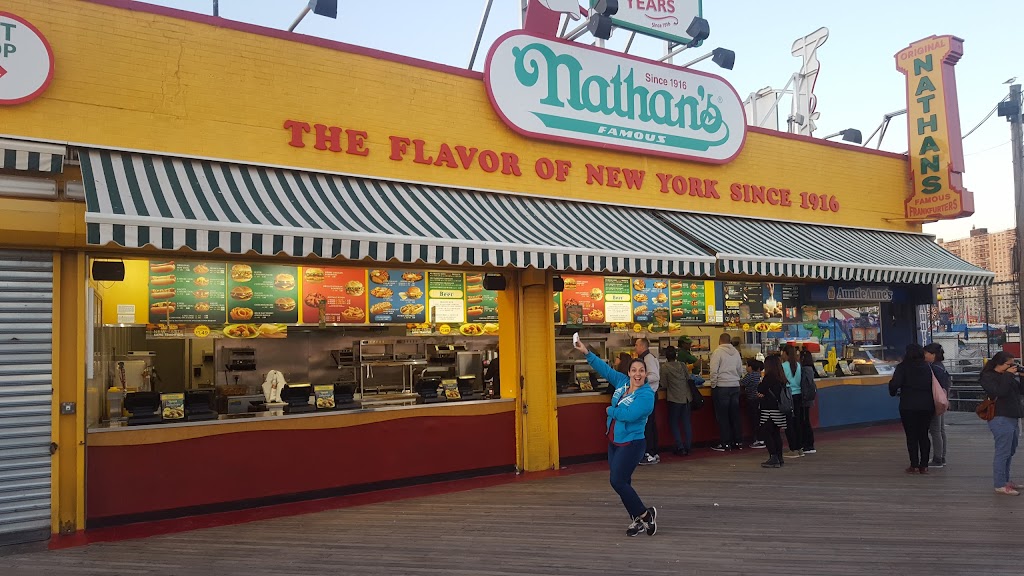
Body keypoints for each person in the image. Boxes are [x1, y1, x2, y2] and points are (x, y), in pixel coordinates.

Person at [573, 337, 658, 535]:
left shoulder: (646, 396)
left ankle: (645, 515)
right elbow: (605, 370)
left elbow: (629, 415)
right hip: (614, 441)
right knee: (623, 483)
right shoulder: (621, 382)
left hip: (632, 443)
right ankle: (637, 519)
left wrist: (611, 410)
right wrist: (586, 352)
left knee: (617, 481)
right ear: (628, 372)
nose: (637, 374)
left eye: (641, 371)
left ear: (646, 374)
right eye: (634, 370)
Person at [979, 351, 1024, 495]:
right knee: (1002, 451)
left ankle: (1005, 480)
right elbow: (1000, 392)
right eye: (1009, 364)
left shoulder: (1006, 376)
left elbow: (1020, 392)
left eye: (1013, 364)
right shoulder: (988, 377)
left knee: (1010, 450)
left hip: (1013, 416)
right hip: (999, 417)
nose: (1012, 367)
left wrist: (1021, 378)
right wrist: (1008, 375)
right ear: (998, 363)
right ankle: (999, 484)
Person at [888, 344, 935, 474]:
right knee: (924, 435)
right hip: (927, 406)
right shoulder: (927, 367)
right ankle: (924, 465)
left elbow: (895, 384)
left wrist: (892, 389)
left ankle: (914, 464)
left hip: (908, 405)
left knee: (911, 436)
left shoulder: (903, 367)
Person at [709, 333, 745, 451]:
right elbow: (740, 370)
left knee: (723, 416)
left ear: (720, 340)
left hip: (722, 386)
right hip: (735, 386)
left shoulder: (718, 352)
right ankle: (738, 441)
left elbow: (713, 371)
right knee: (735, 415)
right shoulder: (736, 352)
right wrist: (736, 379)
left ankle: (726, 443)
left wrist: (714, 385)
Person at [756, 355, 790, 468]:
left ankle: (773, 456)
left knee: (766, 433)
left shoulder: (769, 377)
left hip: (769, 410)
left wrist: (761, 393)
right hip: (779, 409)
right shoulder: (781, 377)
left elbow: (760, 389)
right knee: (776, 433)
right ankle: (779, 457)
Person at [662, 346, 693, 456]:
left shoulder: (665, 367)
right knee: (686, 423)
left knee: (674, 423)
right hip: (686, 397)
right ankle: (688, 446)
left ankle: (680, 447)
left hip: (674, 398)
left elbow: (664, 384)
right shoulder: (682, 365)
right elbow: (688, 378)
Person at [924, 343, 951, 468]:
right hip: (943, 400)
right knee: (940, 430)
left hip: (936, 401)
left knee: (935, 430)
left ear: (933, 354)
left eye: (926, 353)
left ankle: (937, 459)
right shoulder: (941, 367)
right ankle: (942, 456)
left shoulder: (933, 368)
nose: (924, 355)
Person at [635, 338, 661, 465]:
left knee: (648, 424)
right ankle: (653, 451)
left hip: (649, 395)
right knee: (650, 424)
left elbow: (655, 376)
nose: (635, 347)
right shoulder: (648, 358)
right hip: (650, 394)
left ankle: (649, 453)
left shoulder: (648, 359)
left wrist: (640, 379)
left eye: (636, 345)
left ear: (641, 346)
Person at [781, 344, 806, 458]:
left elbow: (781, 381)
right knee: (798, 423)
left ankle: (793, 449)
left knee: (789, 423)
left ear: (785, 353)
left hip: (788, 396)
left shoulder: (783, 366)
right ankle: (800, 448)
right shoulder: (798, 365)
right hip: (798, 395)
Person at [741, 358, 765, 449]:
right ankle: (761, 439)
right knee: (759, 420)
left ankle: (758, 440)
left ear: (750, 367)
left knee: (754, 420)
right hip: (759, 400)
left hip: (751, 400)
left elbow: (741, 383)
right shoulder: (759, 375)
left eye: (747, 365)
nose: (746, 367)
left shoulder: (749, 376)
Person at [798, 349, 817, 454]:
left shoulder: (804, 370)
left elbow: (803, 384)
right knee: (806, 421)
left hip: (804, 399)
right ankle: (809, 444)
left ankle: (807, 444)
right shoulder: (810, 369)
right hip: (808, 399)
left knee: (804, 421)